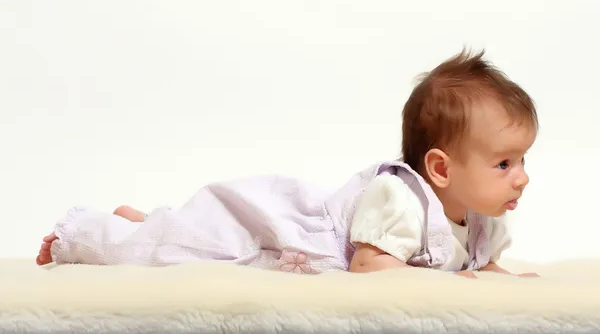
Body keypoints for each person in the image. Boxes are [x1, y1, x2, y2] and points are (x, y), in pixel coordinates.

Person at [36, 49, 539, 278]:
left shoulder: (484, 218)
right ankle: (91, 233)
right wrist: (449, 284)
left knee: (181, 239)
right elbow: (369, 265)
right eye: (503, 163)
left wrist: (500, 277)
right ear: (441, 169)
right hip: (283, 233)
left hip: (289, 252)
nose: (521, 176)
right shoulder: (399, 199)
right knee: (181, 248)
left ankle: (148, 220)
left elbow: (477, 264)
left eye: (521, 160)